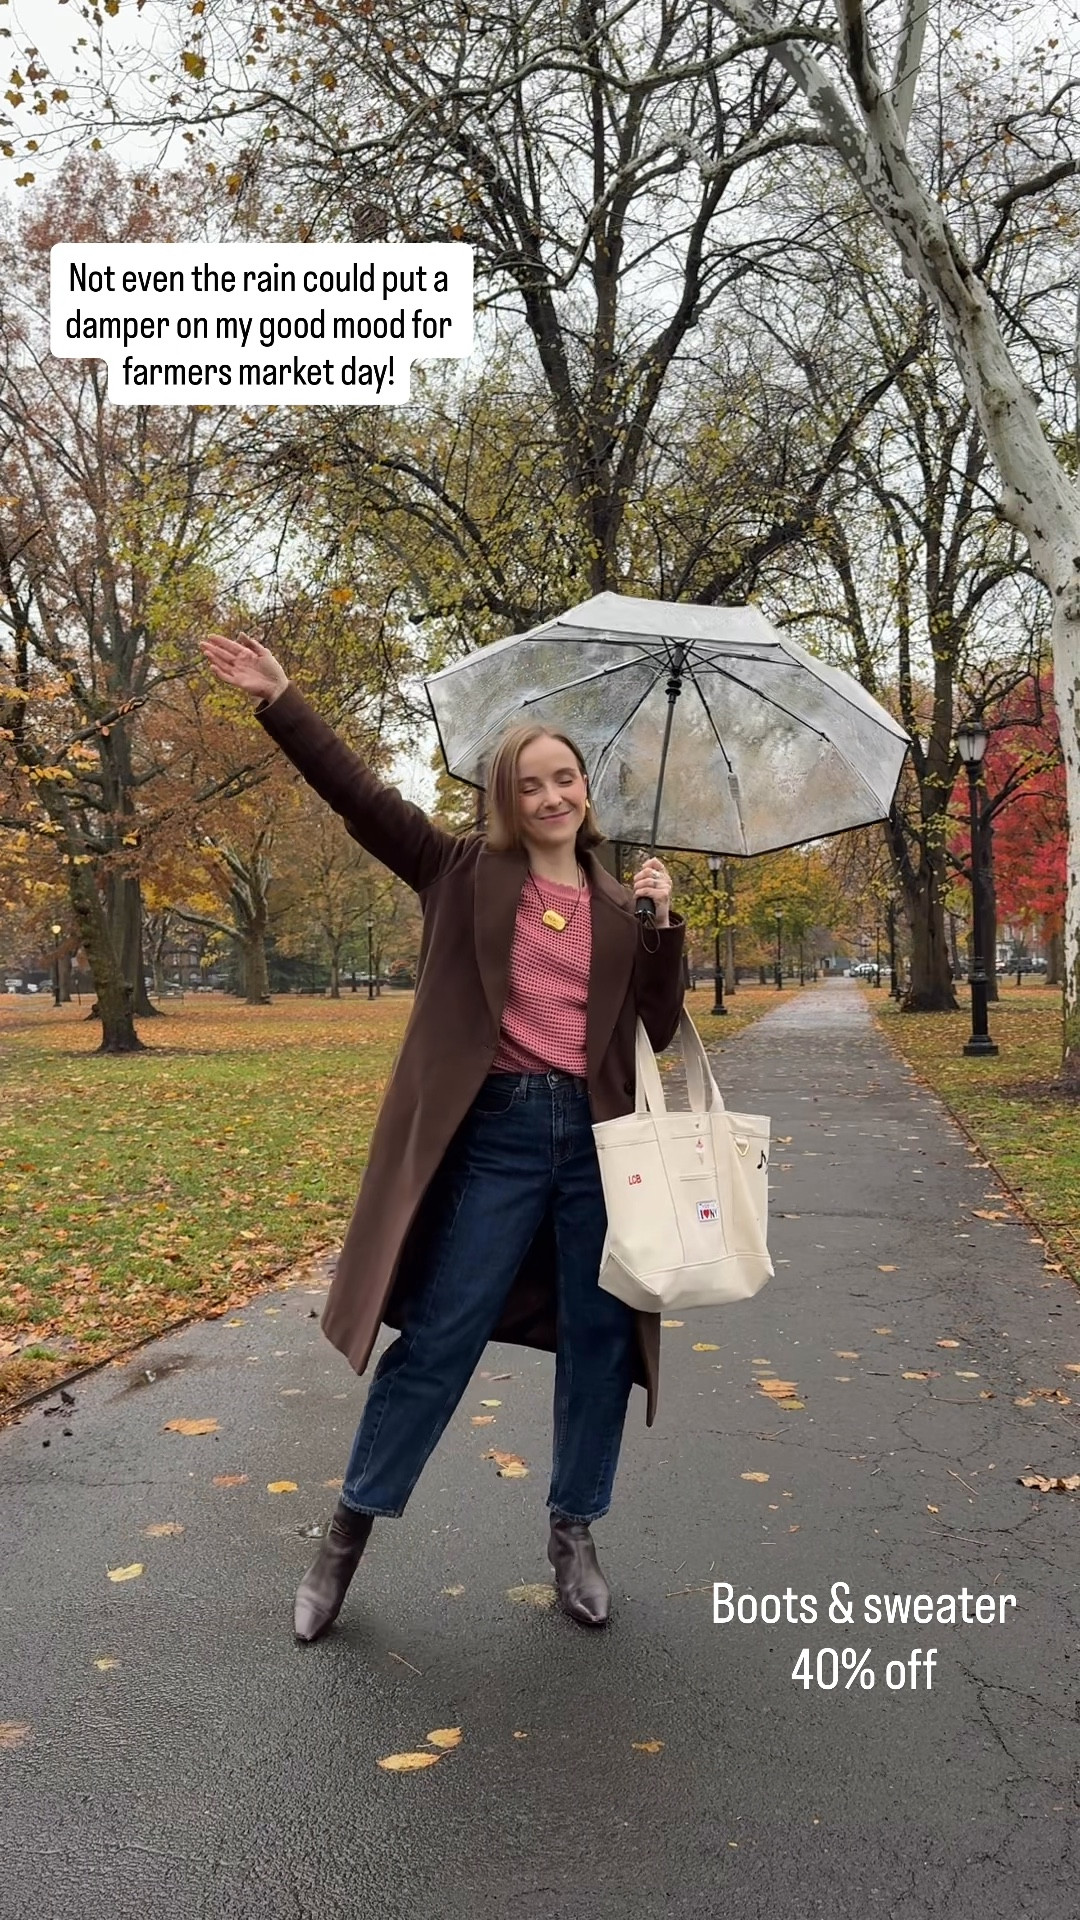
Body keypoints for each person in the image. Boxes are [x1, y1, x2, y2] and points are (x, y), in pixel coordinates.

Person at [200, 631, 685, 1640]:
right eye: (532, 785)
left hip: (599, 1151)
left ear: (586, 789)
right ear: (507, 801)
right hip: (499, 1140)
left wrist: (663, 928)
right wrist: (282, 697)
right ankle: (346, 1534)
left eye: (566, 780)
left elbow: (653, 1030)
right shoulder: (458, 871)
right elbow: (361, 801)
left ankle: (574, 1531)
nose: (552, 797)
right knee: (438, 1342)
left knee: (599, 1347)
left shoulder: (614, 900)